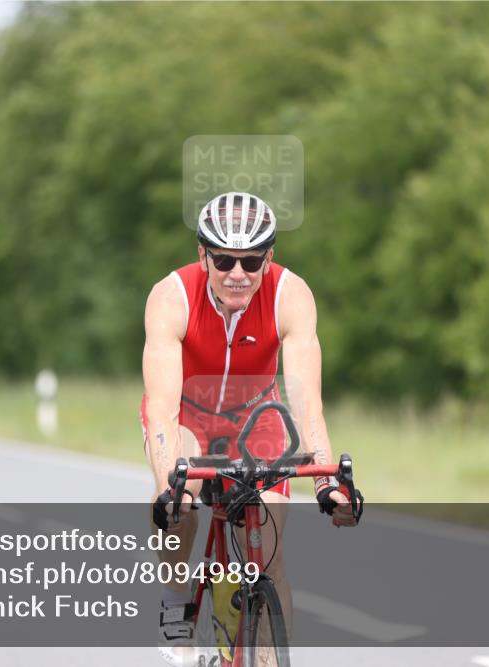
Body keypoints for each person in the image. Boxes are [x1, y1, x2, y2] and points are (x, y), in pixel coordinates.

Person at [141, 191, 359, 665]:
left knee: (269, 555)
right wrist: (166, 487)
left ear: (269, 257)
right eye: (223, 260)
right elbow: (161, 410)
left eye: (251, 260)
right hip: (187, 418)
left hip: (258, 420)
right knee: (180, 507)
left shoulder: (291, 295)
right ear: (203, 255)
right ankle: (177, 602)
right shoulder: (170, 297)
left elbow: (308, 404)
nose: (237, 273)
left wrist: (328, 481)